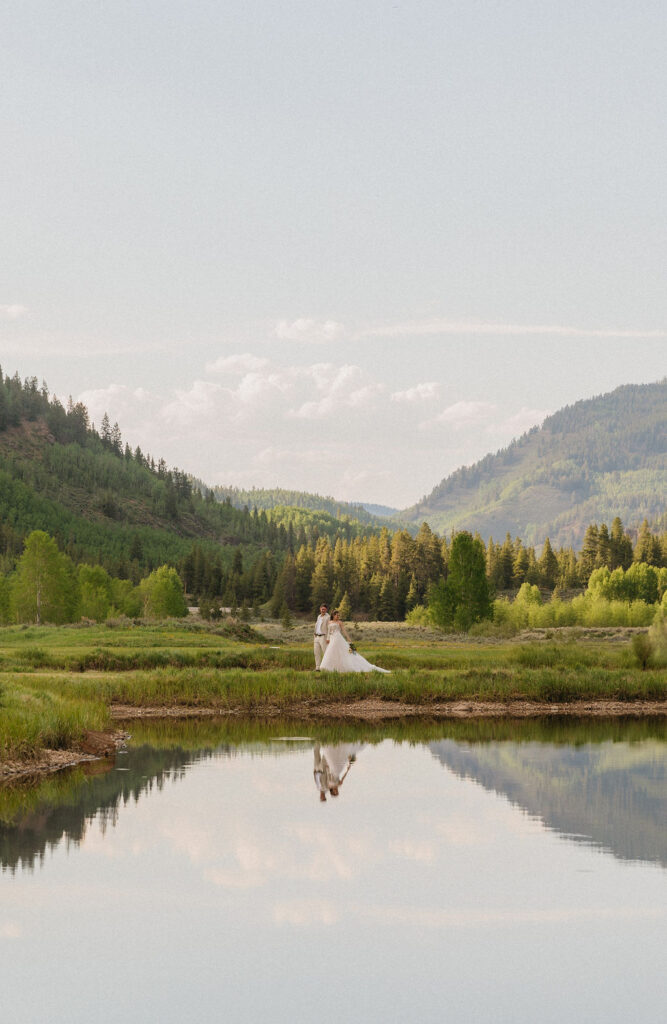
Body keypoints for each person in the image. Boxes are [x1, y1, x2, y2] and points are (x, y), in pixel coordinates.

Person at [319, 610, 390, 673]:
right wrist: (327, 638)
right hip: (332, 638)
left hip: (338, 638)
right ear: (333, 615)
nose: (338, 616)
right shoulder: (329, 622)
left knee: (345, 652)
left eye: (338, 615)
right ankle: (329, 667)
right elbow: (328, 631)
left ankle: (342, 667)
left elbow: (344, 631)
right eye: (337, 615)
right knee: (331, 652)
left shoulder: (340, 622)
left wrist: (349, 639)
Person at [313, 603, 330, 670]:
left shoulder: (328, 617)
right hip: (317, 637)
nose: (323, 610)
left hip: (323, 637)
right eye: (322, 609)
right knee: (316, 653)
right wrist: (314, 635)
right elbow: (317, 626)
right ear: (320, 609)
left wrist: (328, 638)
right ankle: (317, 667)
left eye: (324, 609)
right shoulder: (318, 616)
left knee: (325, 652)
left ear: (326, 610)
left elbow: (329, 628)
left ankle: (327, 667)